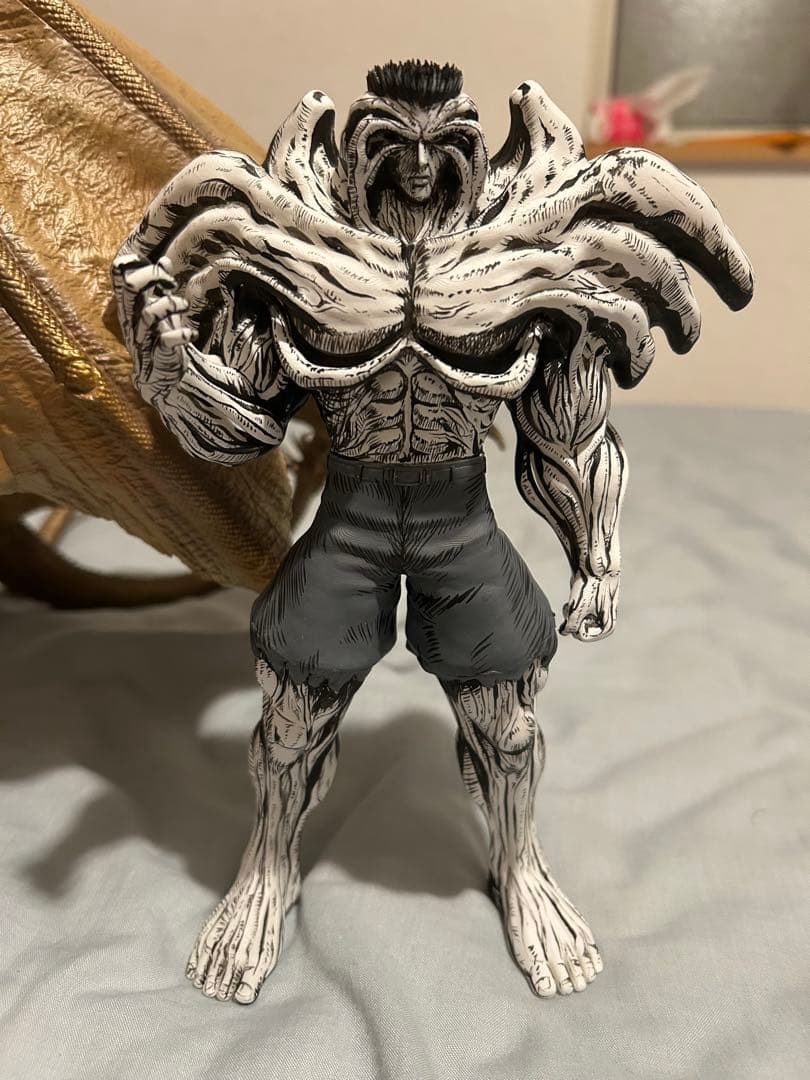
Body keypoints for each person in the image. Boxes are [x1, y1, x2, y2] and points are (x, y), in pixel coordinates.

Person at [113, 59, 752, 1004]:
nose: (417, 171)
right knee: (289, 715)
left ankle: (521, 864)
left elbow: (567, 434)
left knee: (508, 720)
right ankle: (269, 864)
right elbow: (242, 430)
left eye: (441, 149)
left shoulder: (524, 263)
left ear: (473, 152)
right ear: (356, 149)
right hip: (353, 516)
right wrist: (171, 373)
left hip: (460, 517)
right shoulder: (300, 258)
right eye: (393, 147)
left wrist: (597, 556)